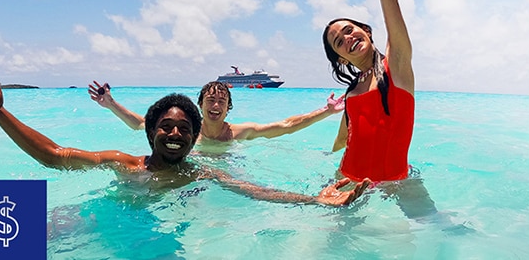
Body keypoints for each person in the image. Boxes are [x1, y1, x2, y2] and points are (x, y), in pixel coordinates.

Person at [0, 68, 368, 206]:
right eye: (167, 127)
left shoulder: (200, 174)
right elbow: (54, 155)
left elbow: (257, 192)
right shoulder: (124, 163)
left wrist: (314, 200)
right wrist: (0, 113)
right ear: (151, 131)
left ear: (194, 140)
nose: (175, 134)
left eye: (184, 130)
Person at [322, 0, 416, 183]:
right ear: (341, 58)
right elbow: (343, 140)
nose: (348, 38)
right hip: (347, 182)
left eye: (350, 29)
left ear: (367, 30)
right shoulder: (352, 91)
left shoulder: (395, 66)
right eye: (339, 42)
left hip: (393, 186)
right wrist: (330, 180)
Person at [87, 80, 344, 151]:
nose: (216, 104)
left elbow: (286, 125)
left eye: (222, 101)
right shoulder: (188, 131)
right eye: (210, 99)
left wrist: (326, 111)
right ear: (200, 105)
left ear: (228, 108)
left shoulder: (238, 132)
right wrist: (111, 104)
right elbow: (142, 124)